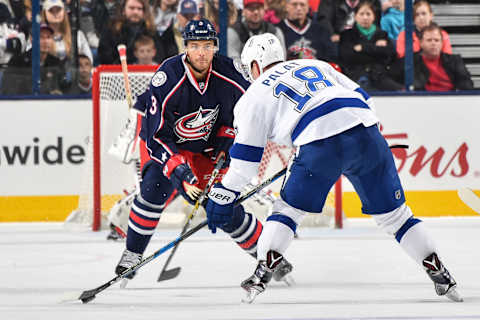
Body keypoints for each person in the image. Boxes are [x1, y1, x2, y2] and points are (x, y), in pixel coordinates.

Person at [204, 33, 462, 303]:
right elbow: (365, 100)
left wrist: (223, 193)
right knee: (396, 217)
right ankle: (438, 270)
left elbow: (245, 164)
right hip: (366, 133)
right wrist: (364, 138)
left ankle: (261, 274)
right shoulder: (317, 64)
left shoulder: (252, 96)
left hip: (319, 146)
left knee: (288, 211)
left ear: (255, 66)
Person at [114, 19, 293, 283]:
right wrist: (181, 174)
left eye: (207, 46)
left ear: (215, 47)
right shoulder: (168, 76)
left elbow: (242, 117)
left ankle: (267, 256)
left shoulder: (230, 73)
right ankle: (132, 253)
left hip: (207, 149)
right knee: (154, 189)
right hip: (168, 145)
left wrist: (225, 144)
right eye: (195, 46)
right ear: (185, 47)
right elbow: (155, 136)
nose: (201, 52)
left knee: (222, 207)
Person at [339, 0, 402, 91]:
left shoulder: (382, 34)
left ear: (374, 17)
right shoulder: (347, 35)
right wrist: (377, 50)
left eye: (368, 14)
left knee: (400, 91)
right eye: (361, 14)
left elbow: (389, 54)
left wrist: (363, 48)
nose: (365, 17)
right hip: (355, 76)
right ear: (355, 16)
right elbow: (348, 56)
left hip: (380, 76)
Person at [390, 23, 473, 92]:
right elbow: (385, 79)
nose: (433, 43)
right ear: (421, 42)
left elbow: (467, 85)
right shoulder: (409, 61)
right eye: (429, 40)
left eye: (437, 40)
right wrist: (402, 89)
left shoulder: (455, 61)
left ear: (442, 43)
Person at [98, 0, 176, 65]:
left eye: (139, 9)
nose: (135, 12)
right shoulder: (112, 29)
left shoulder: (150, 31)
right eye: (132, 8)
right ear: (123, 10)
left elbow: (159, 56)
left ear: (144, 12)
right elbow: (105, 55)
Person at [2, 23, 67, 95]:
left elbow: (64, 87)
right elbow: (8, 89)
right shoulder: (18, 61)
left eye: (48, 37)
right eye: (41, 37)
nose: (45, 41)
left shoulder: (56, 62)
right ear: (31, 38)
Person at [41, 0, 93, 65]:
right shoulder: (37, 35)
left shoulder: (77, 35)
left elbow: (89, 59)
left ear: (64, 12)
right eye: (51, 11)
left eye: (58, 10)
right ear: (44, 13)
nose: (55, 13)